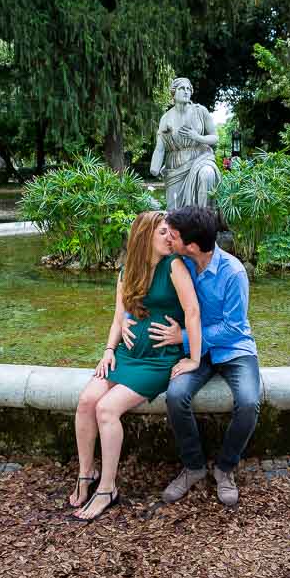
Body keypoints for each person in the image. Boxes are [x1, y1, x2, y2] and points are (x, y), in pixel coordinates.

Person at [123, 205, 260, 506]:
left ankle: (225, 468)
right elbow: (138, 285)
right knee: (176, 396)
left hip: (233, 349)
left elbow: (233, 327)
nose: (168, 239)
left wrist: (181, 336)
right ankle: (194, 466)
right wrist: (124, 319)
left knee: (249, 403)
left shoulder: (233, 273)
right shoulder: (178, 262)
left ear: (193, 245)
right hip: (192, 351)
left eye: (173, 236)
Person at [69, 211, 202, 521]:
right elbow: (119, 317)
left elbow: (193, 312)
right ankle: (85, 474)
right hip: (127, 356)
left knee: (107, 409)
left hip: (158, 360)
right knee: (87, 400)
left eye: (171, 233)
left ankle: (107, 488)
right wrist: (107, 350)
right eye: (164, 233)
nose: (171, 239)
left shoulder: (175, 267)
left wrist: (192, 356)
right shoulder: (127, 271)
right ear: (145, 237)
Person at [150, 78, 222, 211]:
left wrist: (197, 137)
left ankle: (203, 220)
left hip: (200, 158)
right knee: (175, 211)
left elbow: (215, 138)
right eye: (182, 89)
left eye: (188, 89)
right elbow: (160, 148)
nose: (186, 92)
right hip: (176, 165)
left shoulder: (200, 111)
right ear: (173, 92)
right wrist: (154, 168)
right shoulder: (166, 118)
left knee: (207, 174)